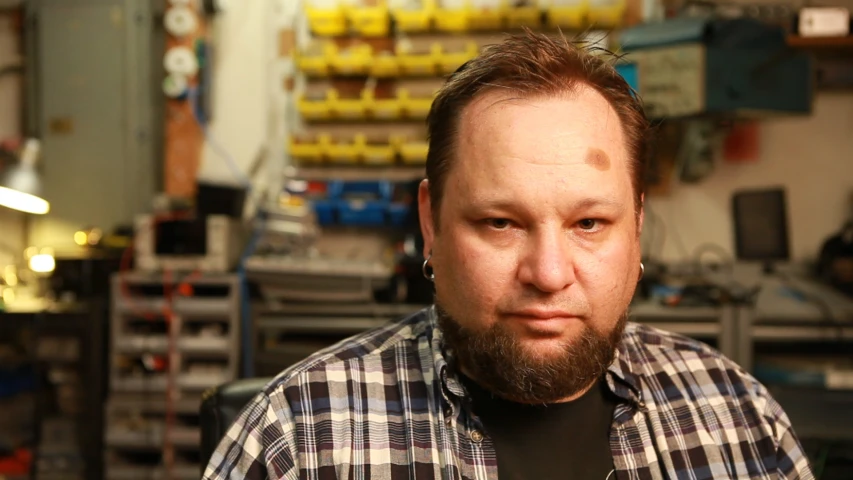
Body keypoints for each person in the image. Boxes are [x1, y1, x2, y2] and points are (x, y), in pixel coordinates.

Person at [203, 30, 814, 480]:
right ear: (430, 225)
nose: (548, 274)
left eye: (589, 223)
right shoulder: (298, 440)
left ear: (638, 228)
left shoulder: (739, 417)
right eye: (500, 222)